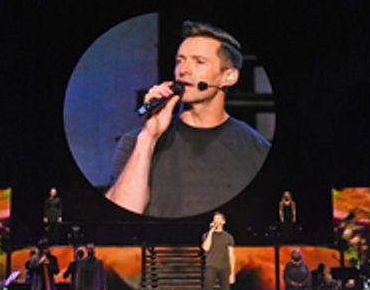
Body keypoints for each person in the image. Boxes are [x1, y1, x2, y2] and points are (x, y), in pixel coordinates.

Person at [106, 21, 271, 218]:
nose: (183, 70)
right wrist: (148, 137)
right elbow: (120, 215)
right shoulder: (136, 142)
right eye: (180, 60)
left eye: (199, 62)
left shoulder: (256, 149)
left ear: (229, 76)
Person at [199, 212, 236, 290]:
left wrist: (232, 273)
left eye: (219, 219)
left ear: (224, 222)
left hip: (224, 269)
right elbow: (206, 248)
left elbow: (231, 255)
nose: (217, 221)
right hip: (211, 267)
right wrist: (210, 232)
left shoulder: (228, 237)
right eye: (215, 219)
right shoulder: (206, 235)